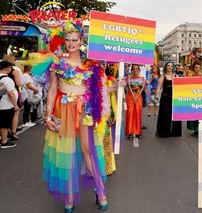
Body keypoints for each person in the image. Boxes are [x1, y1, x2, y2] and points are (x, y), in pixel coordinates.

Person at [42, 20, 112, 212]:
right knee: (67, 152)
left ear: (82, 40)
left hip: (85, 110)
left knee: (88, 151)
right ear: (64, 40)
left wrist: (117, 85)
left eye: (75, 39)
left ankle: (101, 190)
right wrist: (48, 116)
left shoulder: (91, 63)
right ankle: (70, 194)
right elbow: (53, 88)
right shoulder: (57, 62)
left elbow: (102, 88)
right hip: (63, 109)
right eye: (68, 39)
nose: (71, 43)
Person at [125, 64, 156, 140]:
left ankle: (138, 132)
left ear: (139, 70)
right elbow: (124, 87)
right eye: (134, 69)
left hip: (139, 97)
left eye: (136, 69)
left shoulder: (142, 79)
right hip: (130, 97)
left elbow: (146, 90)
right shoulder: (128, 78)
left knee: (138, 114)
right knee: (130, 114)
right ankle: (130, 132)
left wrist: (152, 99)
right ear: (131, 70)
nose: (135, 70)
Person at [155, 61, 182, 137]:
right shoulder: (163, 76)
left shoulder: (176, 76)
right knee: (165, 115)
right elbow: (159, 87)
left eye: (171, 66)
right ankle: (165, 132)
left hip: (174, 99)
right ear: (166, 67)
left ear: (173, 67)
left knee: (175, 115)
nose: (170, 67)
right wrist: (157, 97)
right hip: (165, 98)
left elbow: (180, 87)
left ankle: (176, 132)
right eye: (168, 66)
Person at [3, 54, 24, 140]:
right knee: (16, 112)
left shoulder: (3, 71)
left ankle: (7, 130)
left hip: (3, 93)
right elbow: (19, 83)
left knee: (7, 112)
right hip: (13, 92)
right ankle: (13, 132)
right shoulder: (14, 71)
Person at [186, 60, 202, 137]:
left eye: (199, 68)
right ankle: (196, 130)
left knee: (201, 115)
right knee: (194, 115)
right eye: (196, 67)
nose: (198, 69)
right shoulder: (190, 77)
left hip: (201, 98)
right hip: (193, 98)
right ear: (193, 68)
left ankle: (200, 130)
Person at [0, 60, 19, 148]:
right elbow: (10, 94)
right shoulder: (7, 79)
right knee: (4, 124)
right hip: (5, 105)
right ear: (7, 68)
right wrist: (15, 105)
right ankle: (4, 141)